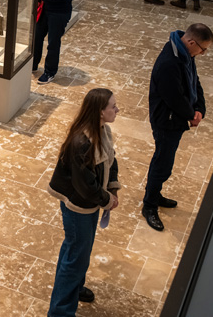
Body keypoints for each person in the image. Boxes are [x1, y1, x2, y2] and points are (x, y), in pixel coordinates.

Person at [47, 88, 121, 316]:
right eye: (113, 106)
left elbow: (111, 160)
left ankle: (75, 287)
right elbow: (85, 186)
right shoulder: (81, 142)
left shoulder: (103, 131)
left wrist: (113, 187)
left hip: (88, 205)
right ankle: (60, 312)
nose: (117, 110)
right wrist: (107, 199)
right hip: (78, 206)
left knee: (78, 249)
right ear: (100, 112)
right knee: (76, 255)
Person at [142, 23, 213, 231]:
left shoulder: (185, 54)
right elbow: (173, 97)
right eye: (203, 49)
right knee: (162, 163)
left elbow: (195, 82)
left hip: (177, 118)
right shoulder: (169, 62)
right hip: (166, 121)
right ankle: (149, 205)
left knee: (166, 161)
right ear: (191, 42)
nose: (203, 53)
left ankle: (155, 195)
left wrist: (200, 107)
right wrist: (191, 114)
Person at [32, 0, 76, 84]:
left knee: (53, 43)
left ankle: (50, 72)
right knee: (37, 37)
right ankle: (33, 64)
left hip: (58, 13)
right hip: (45, 10)